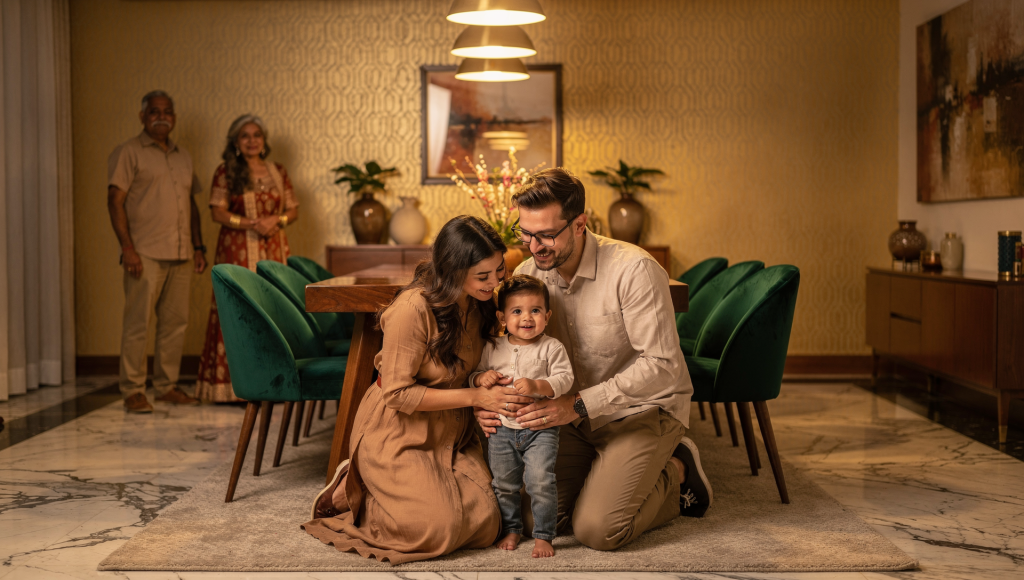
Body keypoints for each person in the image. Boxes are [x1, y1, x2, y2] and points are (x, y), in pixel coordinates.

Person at [476, 168, 713, 552]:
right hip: (571, 417)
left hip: (640, 410)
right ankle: (608, 476)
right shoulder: (527, 274)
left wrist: (578, 404)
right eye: (526, 233)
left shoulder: (633, 269)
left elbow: (662, 365)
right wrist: (486, 398)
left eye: (546, 235)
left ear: (580, 224)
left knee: (597, 530)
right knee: (536, 519)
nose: (535, 247)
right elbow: (508, 350)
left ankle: (678, 468)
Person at [303, 216, 534, 565]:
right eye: (483, 275)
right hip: (399, 430)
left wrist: (488, 391)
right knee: (436, 530)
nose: (495, 282)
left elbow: (478, 368)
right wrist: (476, 397)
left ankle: (401, 494)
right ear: (453, 272)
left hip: (452, 430)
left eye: (498, 270)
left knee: (490, 523)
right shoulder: (412, 308)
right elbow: (398, 395)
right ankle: (353, 490)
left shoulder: (481, 302)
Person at [107, 90, 206, 414]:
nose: (161, 116)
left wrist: (198, 246)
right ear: (142, 116)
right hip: (144, 253)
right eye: (154, 111)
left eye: (167, 111)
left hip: (181, 252)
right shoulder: (128, 152)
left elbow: (191, 203)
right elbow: (115, 201)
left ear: (173, 118)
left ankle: (166, 386)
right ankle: (133, 390)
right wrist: (128, 249)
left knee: (175, 324)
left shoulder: (184, 157)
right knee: (138, 324)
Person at [194, 114, 299, 402]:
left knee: (272, 308)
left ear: (264, 140)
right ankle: (231, 388)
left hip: (274, 248)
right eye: (245, 136)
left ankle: (274, 384)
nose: (252, 141)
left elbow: (293, 210)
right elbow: (217, 212)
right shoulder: (226, 171)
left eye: (257, 135)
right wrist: (252, 223)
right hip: (237, 247)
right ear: (235, 142)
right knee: (238, 308)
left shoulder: (278, 171)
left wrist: (277, 220)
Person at [470, 274, 573, 558]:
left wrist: (539, 386)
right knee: (504, 484)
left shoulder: (552, 347)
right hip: (501, 429)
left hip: (540, 429)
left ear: (547, 316)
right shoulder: (492, 346)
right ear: (502, 318)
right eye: (517, 311)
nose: (527, 318)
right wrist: (480, 378)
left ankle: (543, 535)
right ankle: (512, 529)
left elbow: (565, 379)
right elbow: (474, 375)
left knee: (541, 481)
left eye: (535, 310)